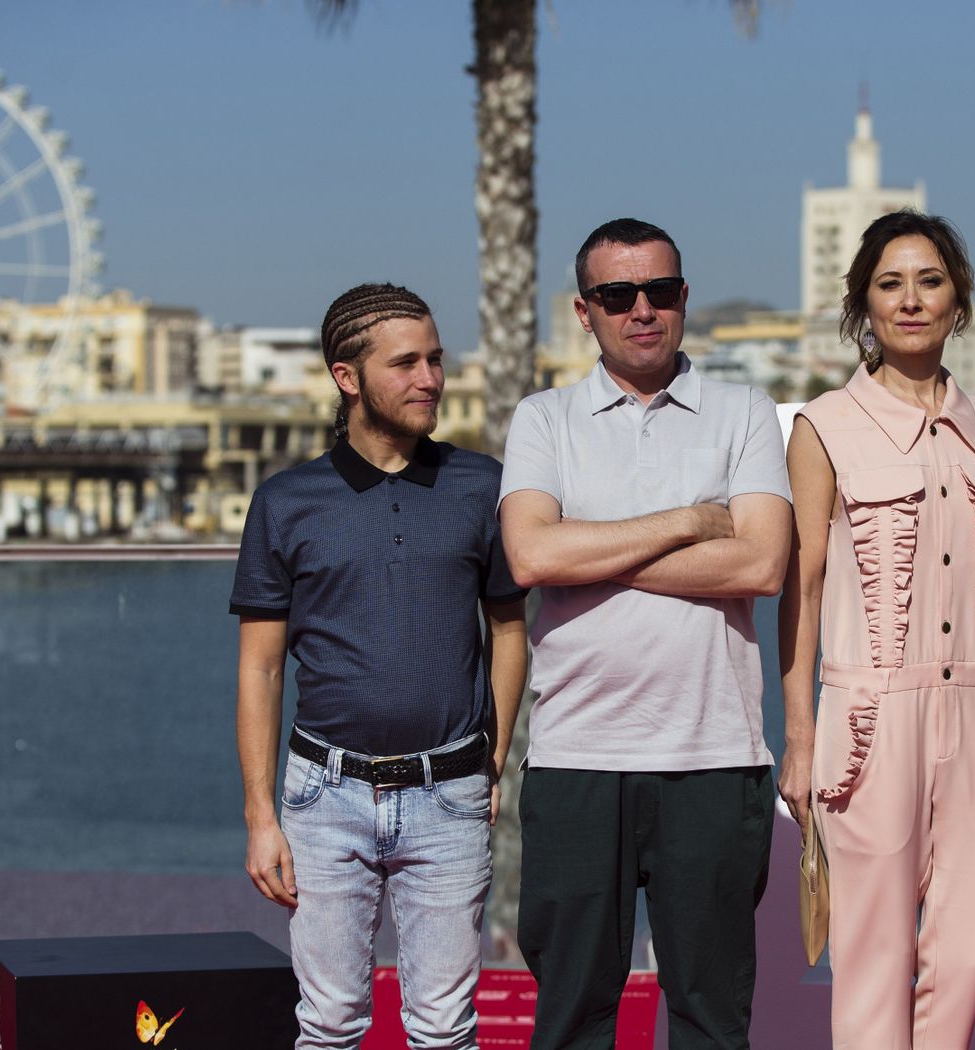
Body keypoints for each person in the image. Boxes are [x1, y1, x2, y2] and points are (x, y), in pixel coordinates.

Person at [498, 218, 793, 1049]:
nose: (642, 310)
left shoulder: (742, 411)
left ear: (684, 299)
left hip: (715, 761)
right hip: (576, 761)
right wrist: (695, 521)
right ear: (585, 311)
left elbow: (761, 566)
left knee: (710, 1020)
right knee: (570, 1021)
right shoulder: (544, 418)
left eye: (660, 292)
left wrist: (589, 549)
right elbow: (528, 553)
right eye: (618, 295)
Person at [231, 282, 528, 1049]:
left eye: (435, 359)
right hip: (322, 797)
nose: (430, 378)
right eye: (406, 363)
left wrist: (488, 760)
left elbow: (507, 630)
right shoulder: (284, 501)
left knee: (444, 1028)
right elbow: (260, 670)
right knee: (328, 1024)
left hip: (450, 794)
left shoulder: (482, 486)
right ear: (346, 376)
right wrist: (262, 817)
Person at [778, 211, 975, 1048]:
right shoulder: (825, 427)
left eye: (930, 281)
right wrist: (802, 741)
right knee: (872, 969)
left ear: (958, 299)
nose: (912, 300)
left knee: (961, 970)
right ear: (864, 306)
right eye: (891, 284)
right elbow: (803, 592)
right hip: (871, 723)